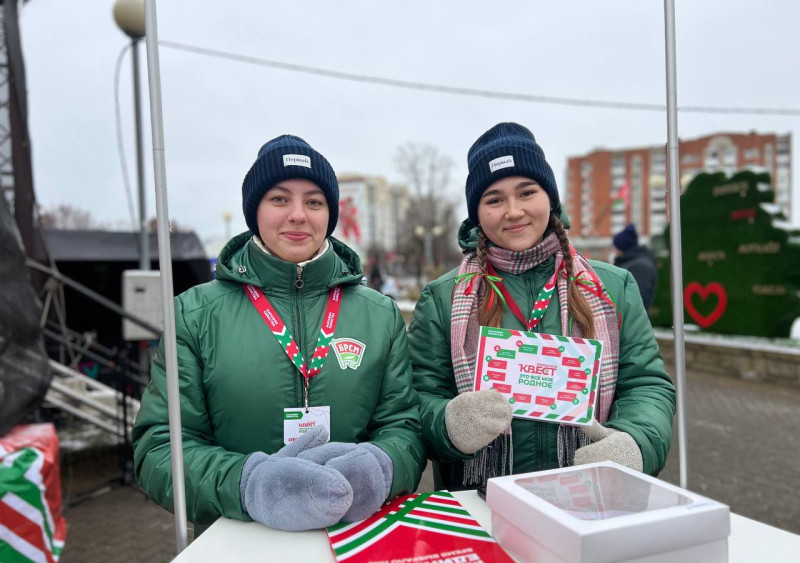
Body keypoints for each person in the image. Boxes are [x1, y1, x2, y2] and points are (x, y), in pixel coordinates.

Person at [132, 134, 425, 532]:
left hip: (353, 534)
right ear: (255, 210)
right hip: (238, 540)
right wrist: (247, 484)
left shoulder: (379, 314)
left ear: (329, 213)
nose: (298, 215)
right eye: (280, 199)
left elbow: (403, 426)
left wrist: (381, 468)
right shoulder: (195, 314)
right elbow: (160, 447)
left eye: (314, 201)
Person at [408, 123, 675, 491]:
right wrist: (448, 425)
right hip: (481, 507)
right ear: (477, 212)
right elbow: (417, 398)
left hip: (590, 498)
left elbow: (645, 384)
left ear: (549, 198)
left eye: (526, 192)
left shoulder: (612, 287)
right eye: (494, 199)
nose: (513, 211)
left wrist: (636, 443)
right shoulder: (443, 297)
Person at [613, 223, 658, 311]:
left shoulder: (640, 266)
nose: (614, 251)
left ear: (622, 247)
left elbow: (638, 299)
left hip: (632, 321)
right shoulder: (632, 263)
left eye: (616, 247)